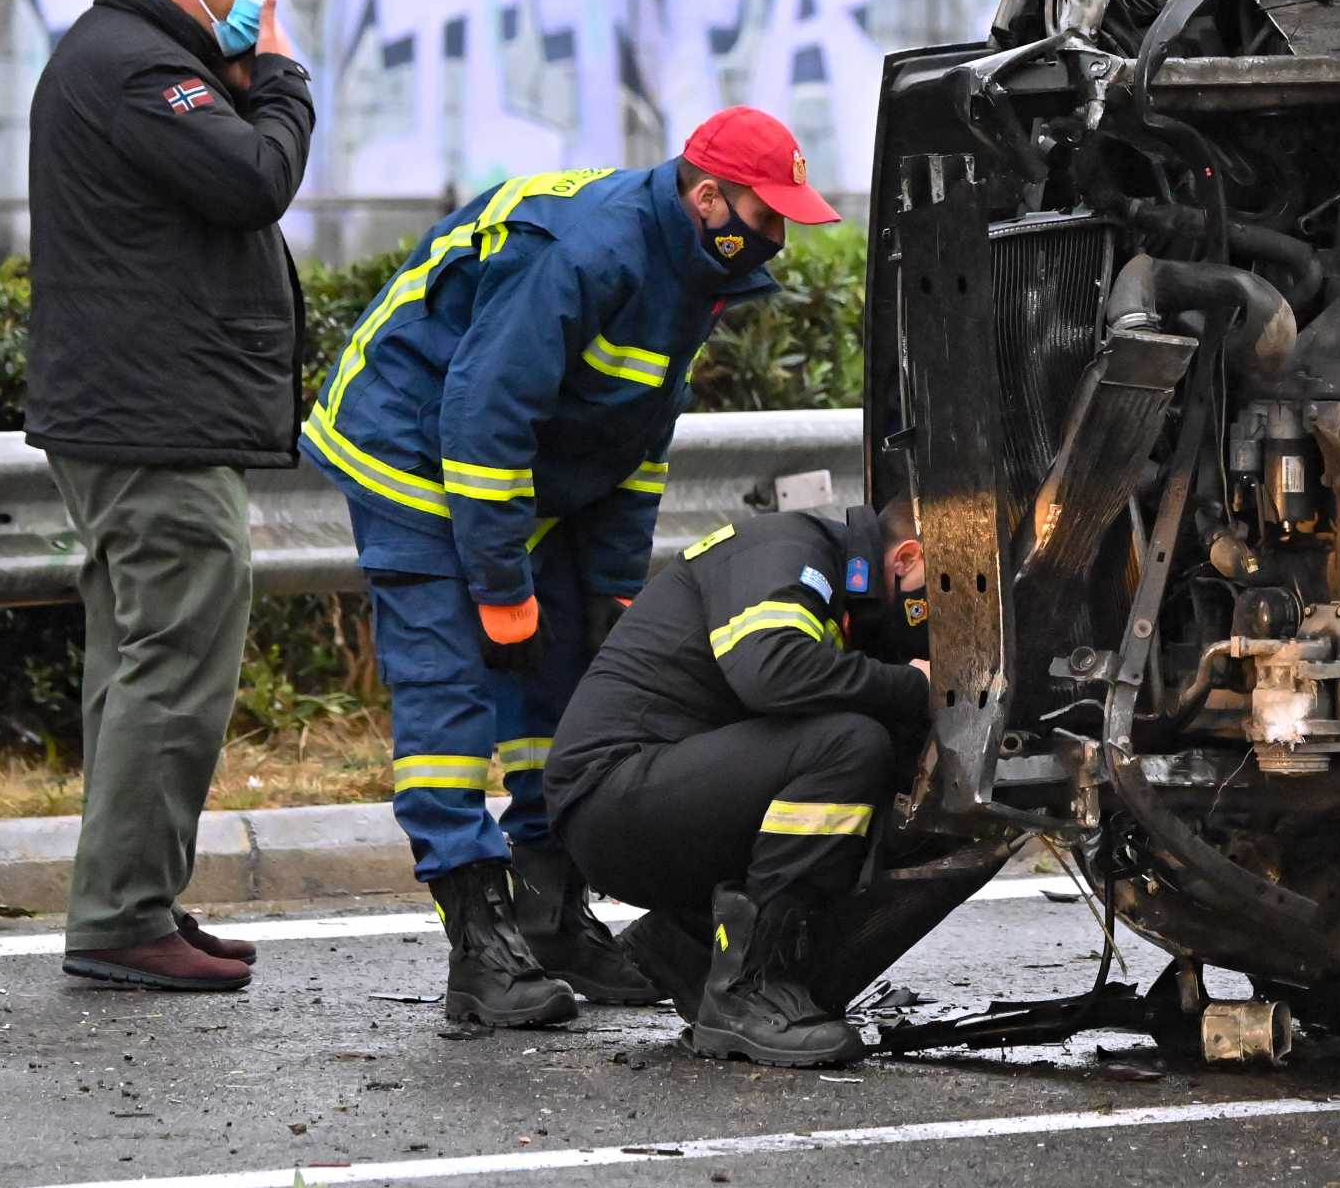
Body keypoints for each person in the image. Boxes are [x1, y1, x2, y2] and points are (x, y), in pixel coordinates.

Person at [304, 107, 841, 1027]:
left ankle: (549, 911)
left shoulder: (694, 271)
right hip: (416, 450)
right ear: (707, 196)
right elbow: (482, 414)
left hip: (519, 474)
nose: (777, 238)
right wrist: (503, 588)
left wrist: (612, 589)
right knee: (450, 697)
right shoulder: (586, 250)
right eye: (765, 213)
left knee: (562, 683)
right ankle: (478, 943)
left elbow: (632, 443)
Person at [24, 0, 314, 993]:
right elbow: (254, 181)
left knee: (135, 660)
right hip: (150, 419)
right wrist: (280, 81)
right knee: (177, 656)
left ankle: (132, 900)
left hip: (131, 410)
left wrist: (240, 79)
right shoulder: (140, 67)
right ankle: (119, 917)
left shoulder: (126, 59)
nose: (262, 8)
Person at [544, 500, 931, 1068]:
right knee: (849, 746)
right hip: (612, 796)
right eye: (936, 596)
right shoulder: (791, 550)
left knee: (872, 750)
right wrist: (913, 684)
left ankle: (691, 946)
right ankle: (748, 991)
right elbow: (772, 672)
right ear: (907, 557)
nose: (928, 623)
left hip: (645, 794)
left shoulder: (841, 588)